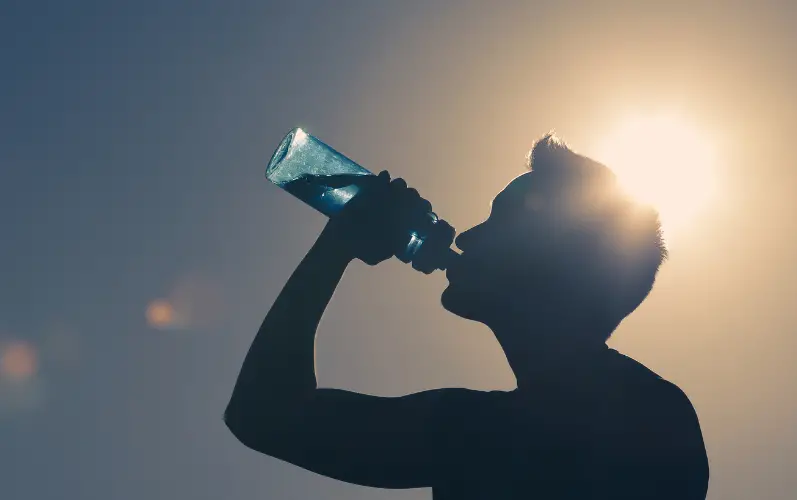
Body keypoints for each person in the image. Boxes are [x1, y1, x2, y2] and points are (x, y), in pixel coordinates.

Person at [224, 134, 710, 499]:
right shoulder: (474, 428)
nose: (466, 237)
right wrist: (337, 245)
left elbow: (264, 416)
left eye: (498, 221)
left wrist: (337, 249)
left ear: (555, 260)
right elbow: (261, 416)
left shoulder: (644, 420)